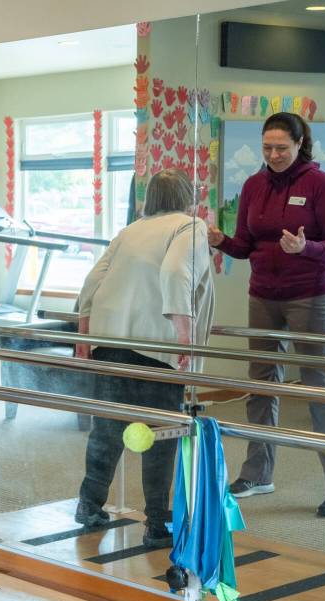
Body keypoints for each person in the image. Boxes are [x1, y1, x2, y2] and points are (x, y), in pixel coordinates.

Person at [208, 112, 325, 518]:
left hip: (310, 294)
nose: (273, 155)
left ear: (299, 145)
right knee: (261, 384)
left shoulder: (320, 184)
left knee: (318, 387)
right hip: (264, 295)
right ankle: (258, 473)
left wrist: (305, 249)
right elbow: (244, 245)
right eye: (267, 147)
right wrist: (221, 241)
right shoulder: (254, 185)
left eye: (281, 148)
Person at [74, 168, 215, 548]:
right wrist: (183, 334)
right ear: (188, 198)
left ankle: (89, 504)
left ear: (148, 200)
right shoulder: (190, 227)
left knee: (106, 428)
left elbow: (93, 279)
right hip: (154, 344)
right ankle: (157, 521)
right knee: (161, 433)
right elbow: (175, 271)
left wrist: (84, 331)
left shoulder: (130, 231)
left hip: (110, 339)